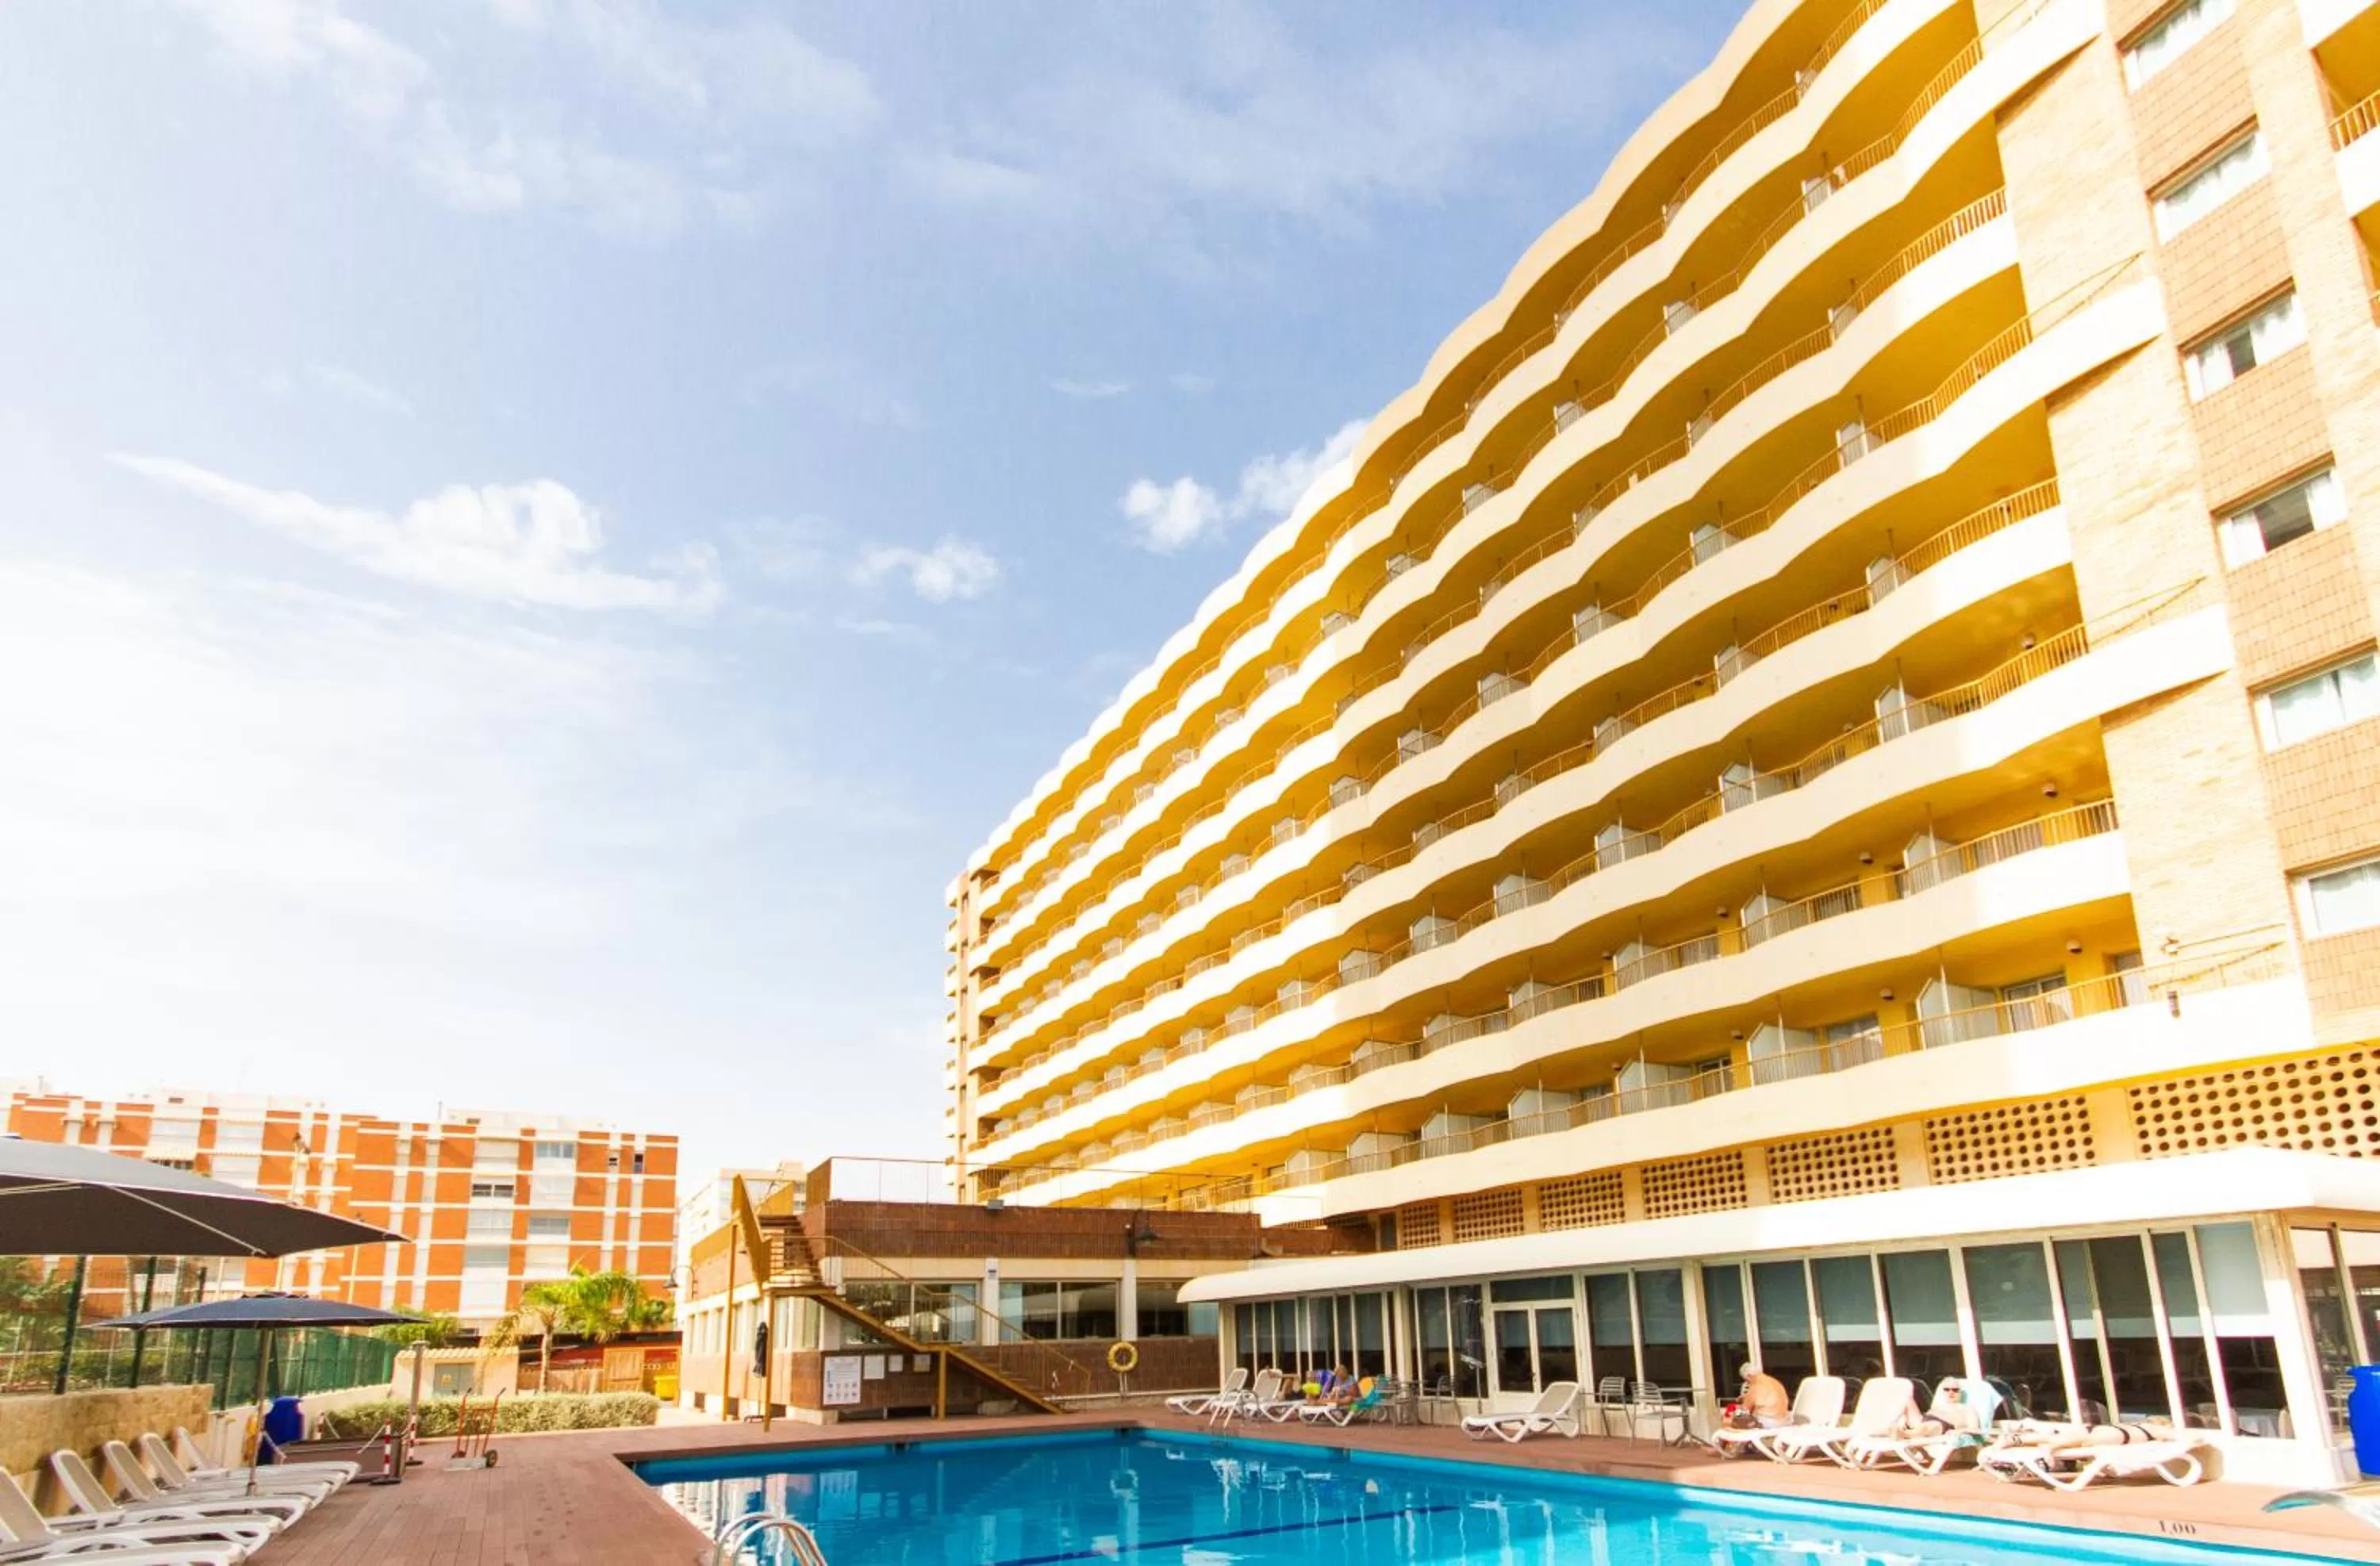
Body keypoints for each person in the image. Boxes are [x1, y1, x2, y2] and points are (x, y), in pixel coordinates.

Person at [1728, 1363, 1791, 1430]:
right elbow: (1766, 1398)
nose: (1748, 1384)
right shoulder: (1775, 1382)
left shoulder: (1755, 1386)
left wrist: (1732, 1415)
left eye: (1747, 1381)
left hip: (1768, 1423)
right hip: (1783, 1421)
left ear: (1749, 1376)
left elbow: (1744, 1411)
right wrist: (1746, 1398)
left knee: (1735, 1420)